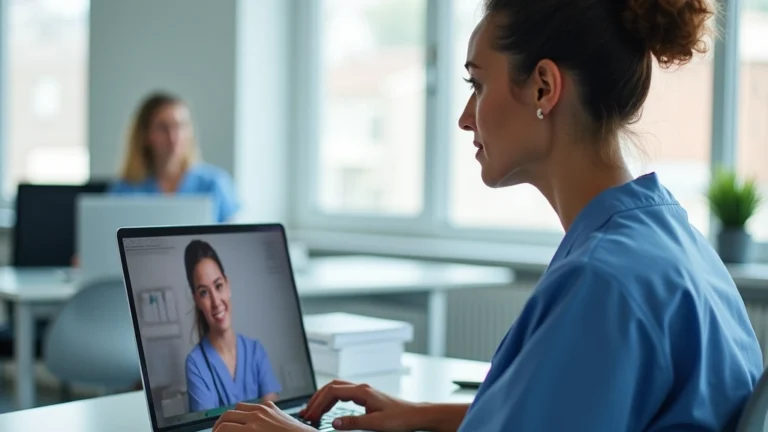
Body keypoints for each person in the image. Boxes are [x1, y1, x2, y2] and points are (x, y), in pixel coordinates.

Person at [212, 0, 764, 430]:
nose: (463, 118)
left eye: (477, 84)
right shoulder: (672, 245)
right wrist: (423, 413)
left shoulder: (602, 282)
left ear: (544, 87)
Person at [109, 92, 240, 223]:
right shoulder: (125, 189)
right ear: (145, 135)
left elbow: (233, 237)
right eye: (163, 128)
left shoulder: (214, 183)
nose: (173, 137)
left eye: (180, 126)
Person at [184, 239, 281, 412]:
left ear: (228, 285)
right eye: (204, 292)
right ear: (196, 300)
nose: (216, 302)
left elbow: (275, 415)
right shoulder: (196, 364)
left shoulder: (255, 351)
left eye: (218, 286)